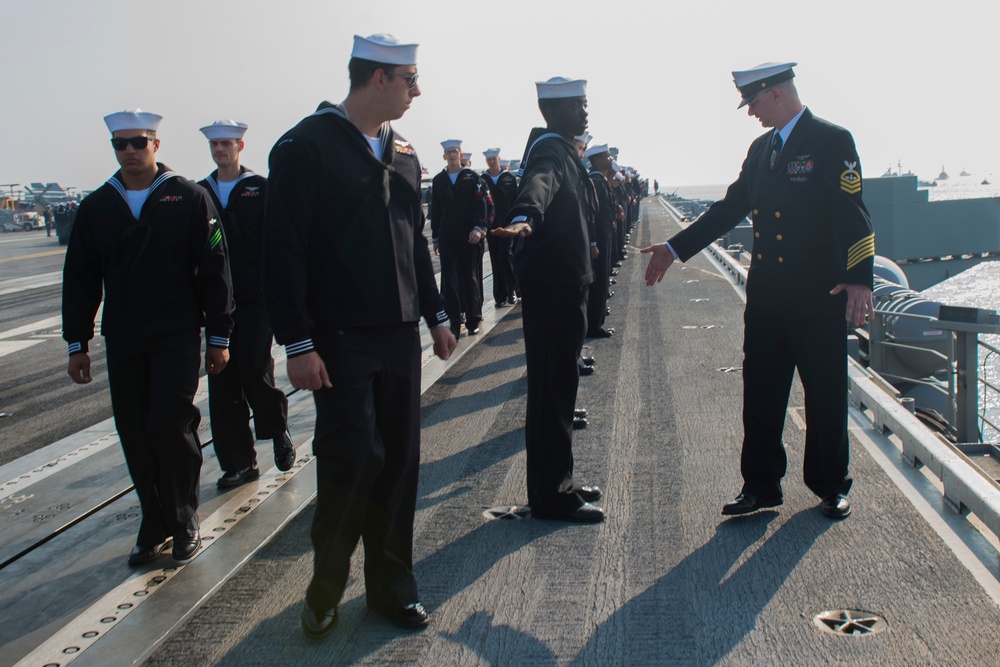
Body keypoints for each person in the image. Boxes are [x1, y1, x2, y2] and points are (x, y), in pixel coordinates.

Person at [263, 33, 457, 639]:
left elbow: (414, 240)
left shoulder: (402, 152)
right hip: (338, 339)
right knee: (353, 462)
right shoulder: (305, 146)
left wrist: (438, 314)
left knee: (399, 464)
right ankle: (325, 586)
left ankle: (391, 588)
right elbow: (282, 251)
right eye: (410, 80)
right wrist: (296, 342)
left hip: (399, 336)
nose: (417, 91)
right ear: (378, 78)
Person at [641, 62, 875, 520]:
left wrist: (859, 278)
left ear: (775, 94)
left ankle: (831, 485)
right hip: (767, 299)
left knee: (824, 394)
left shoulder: (831, 140)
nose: (750, 113)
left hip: (817, 297)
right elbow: (731, 208)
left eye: (752, 103)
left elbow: (853, 212)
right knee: (762, 394)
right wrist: (675, 246)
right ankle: (761, 485)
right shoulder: (760, 149)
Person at [62, 109, 234, 566]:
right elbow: (80, 277)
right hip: (123, 337)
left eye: (139, 141)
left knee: (171, 423)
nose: (131, 151)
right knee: (135, 428)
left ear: (156, 144)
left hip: (176, 332)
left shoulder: (189, 197)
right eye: (121, 144)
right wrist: (76, 342)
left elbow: (215, 269)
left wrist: (219, 334)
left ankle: (183, 519)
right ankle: (152, 520)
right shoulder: (98, 206)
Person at [493, 76, 605, 523]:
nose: (585, 113)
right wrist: (524, 217)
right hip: (553, 288)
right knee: (550, 393)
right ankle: (550, 496)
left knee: (561, 389)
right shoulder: (550, 150)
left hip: (566, 284)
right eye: (578, 106)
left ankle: (561, 483)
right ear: (553, 112)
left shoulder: (562, 149)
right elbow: (539, 184)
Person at [198, 120, 295, 489]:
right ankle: (239, 463)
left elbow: (278, 240)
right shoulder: (200, 192)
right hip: (216, 302)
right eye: (214, 145)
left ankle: (277, 429)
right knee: (222, 385)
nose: (219, 150)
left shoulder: (260, 188)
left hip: (255, 298)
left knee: (255, 368)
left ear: (240, 145)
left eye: (226, 143)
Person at [430, 139, 488, 337]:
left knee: (469, 277)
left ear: (461, 155)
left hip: (468, 236)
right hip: (447, 237)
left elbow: (481, 205)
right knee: (450, 281)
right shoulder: (438, 180)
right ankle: (455, 321)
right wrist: (435, 237)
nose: (452, 154)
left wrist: (479, 228)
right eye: (449, 152)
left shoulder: (472, 178)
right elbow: (435, 210)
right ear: (444, 156)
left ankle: (473, 319)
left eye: (455, 151)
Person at [481, 147, 519, 308]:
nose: (492, 162)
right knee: (496, 259)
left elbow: (516, 200)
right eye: (489, 160)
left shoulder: (508, 178)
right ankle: (500, 295)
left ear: (498, 159)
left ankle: (512, 289)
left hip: (507, 224)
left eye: (494, 159)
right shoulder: (483, 180)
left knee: (505, 255)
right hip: (491, 225)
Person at [584, 143, 615, 338]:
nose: (610, 159)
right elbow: (590, 213)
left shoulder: (600, 179)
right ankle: (594, 325)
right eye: (607, 156)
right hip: (599, 238)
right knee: (598, 281)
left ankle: (598, 320)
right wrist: (593, 243)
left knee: (603, 280)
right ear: (596, 160)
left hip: (605, 235)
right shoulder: (594, 180)